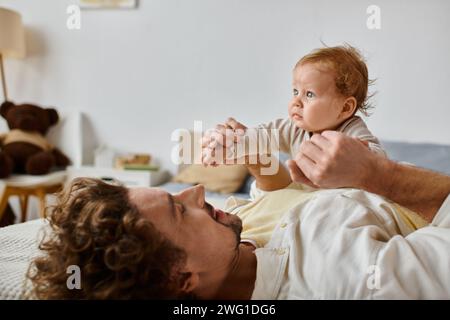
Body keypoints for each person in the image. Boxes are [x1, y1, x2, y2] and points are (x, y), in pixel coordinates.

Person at [28, 154, 450, 299]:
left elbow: (271, 196)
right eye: (179, 211)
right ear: (183, 280)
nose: (194, 191)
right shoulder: (346, 276)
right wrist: (383, 175)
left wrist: (263, 165)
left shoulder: (230, 240)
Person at [202, 45, 385, 168]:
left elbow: (379, 161)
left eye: (309, 94)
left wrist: (359, 154)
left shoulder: (352, 132)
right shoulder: (292, 129)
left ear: (345, 108)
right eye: (295, 92)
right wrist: (227, 147)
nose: (296, 102)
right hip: (308, 201)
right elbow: (258, 137)